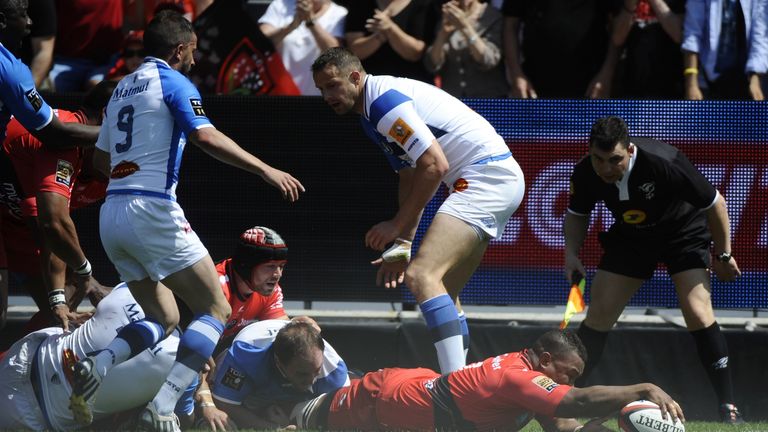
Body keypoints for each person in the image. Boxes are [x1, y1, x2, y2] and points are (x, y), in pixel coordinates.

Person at [69, 10, 305, 432]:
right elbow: (205, 136)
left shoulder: (121, 87)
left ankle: (99, 364)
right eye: (193, 52)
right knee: (214, 305)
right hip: (152, 208)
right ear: (180, 50)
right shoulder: (174, 81)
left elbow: (102, 157)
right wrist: (266, 170)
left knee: (164, 318)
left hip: (112, 215)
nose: (195, 61)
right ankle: (162, 402)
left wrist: (131, 173)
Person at [312, 47, 525, 374]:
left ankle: (455, 388)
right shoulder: (371, 112)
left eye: (333, 85)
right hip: (493, 177)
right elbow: (409, 175)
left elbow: (434, 165)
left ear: (355, 77)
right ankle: (464, 383)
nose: (327, 95)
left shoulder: (382, 105)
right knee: (443, 290)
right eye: (321, 89)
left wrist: (396, 225)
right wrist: (403, 244)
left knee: (421, 275)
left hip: (485, 177)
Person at [564, 116, 743, 423]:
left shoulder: (665, 162)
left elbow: (716, 204)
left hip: (682, 234)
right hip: (632, 239)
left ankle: (729, 409)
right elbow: (577, 213)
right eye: (599, 159)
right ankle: (565, 399)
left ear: (630, 151)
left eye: (615, 160)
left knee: (697, 310)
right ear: (590, 153)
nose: (607, 168)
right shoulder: (585, 172)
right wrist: (570, 254)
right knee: (599, 313)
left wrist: (724, 255)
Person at [289, 329, 684, 431]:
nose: (571, 382)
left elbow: (566, 425)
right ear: (546, 360)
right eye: (570, 374)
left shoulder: (530, 382)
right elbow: (576, 402)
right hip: (382, 400)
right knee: (299, 416)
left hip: (415, 389)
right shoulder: (517, 378)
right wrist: (642, 389)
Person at [0, 0, 101, 331]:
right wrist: (120, 135)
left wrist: (58, 299)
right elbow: (53, 225)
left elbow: (50, 229)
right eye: (23, 14)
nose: (30, 23)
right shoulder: (10, 68)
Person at [0, 80, 116, 333]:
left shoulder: (110, 171)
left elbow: (54, 233)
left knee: (63, 317)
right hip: (21, 221)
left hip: (21, 225)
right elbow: (52, 226)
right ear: (108, 119)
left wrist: (64, 295)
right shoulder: (61, 140)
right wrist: (87, 277)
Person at [0, 283, 182, 431]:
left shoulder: (129, 289)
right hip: (40, 418)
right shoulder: (182, 368)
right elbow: (187, 416)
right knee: (153, 410)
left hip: (26, 357)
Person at [197, 319, 350, 430]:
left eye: (316, 371)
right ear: (278, 362)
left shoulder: (333, 370)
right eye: (302, 374)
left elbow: (342, 417)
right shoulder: (246, 354)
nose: (311, 380)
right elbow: (225, 403)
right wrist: (274, 428)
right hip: (251, 384)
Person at [501, 0, 618, 98]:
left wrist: (607, 73)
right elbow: (510, 24)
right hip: (534, 86)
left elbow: (616, 27)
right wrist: (516, 74)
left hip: (590, 86)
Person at [214, 225, 291, 354]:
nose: (278, 274)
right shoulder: (218, 286)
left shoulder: (270, 290)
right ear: (247, 265)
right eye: (270, 266)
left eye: (281, 266)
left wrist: (300, 329)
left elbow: (282, 333)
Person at [681, 0, 768, 100]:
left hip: (746, 82)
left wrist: (755, 79)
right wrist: (691, 84)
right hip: (708, 83)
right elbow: (692, 34)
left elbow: (760, 36)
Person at [258, 0, 348, 96]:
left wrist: (311, 22)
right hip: (278, 95)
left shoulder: (339, 13)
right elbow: (260, 42)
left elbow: (336, 54)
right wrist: (291, 26)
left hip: (317, 100)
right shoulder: (279, 5)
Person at [424, 0, 507, 98]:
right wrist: (442, 34)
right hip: (454, 99)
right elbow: (432, 64)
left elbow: (488, 60)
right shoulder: (447, 16)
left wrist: (465, 28)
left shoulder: (492, 16)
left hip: (488, 100)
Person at [344, 0, 439, 83]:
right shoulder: (359, 3)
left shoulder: (424, 4)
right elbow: (355, 52)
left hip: (411, 84)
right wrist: (380, 36)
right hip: (371, 86)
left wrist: (390, 29)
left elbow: (415, 53)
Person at [611, 0, 686, 99]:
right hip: (632, 87)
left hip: (671, 88)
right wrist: (629, 6)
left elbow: (679, 35)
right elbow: (617, 39)